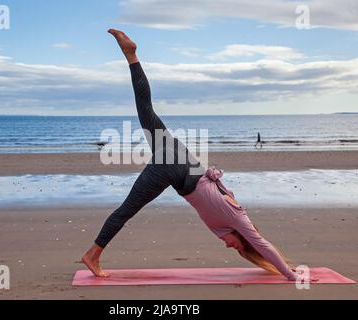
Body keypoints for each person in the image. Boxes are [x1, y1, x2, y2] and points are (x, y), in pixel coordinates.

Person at [82, 29, 306, 282]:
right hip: (174, 167)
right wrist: (290, 275)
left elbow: (253, 246)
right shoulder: (238, 220)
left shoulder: (228, 222)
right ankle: (93, 255)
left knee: (145, 109)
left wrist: (260, 259)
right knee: (127, 210)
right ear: (243, 237)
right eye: (236, 246)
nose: (228, 246)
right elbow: (261, 244)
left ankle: (131, 56)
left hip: (180, 155)